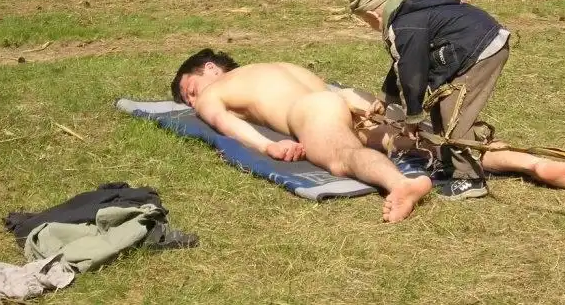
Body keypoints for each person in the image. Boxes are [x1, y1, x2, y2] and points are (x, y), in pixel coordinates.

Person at [348, 0, 565, 199]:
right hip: (474, 45)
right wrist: (386, 99)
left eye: (366, 22)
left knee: (454, 118)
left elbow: (412, 71)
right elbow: (404, 63)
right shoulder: (411, 8)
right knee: (442, 107)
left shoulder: (404, 24)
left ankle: (469, 180)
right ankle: (454, 166)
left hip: (476, 52)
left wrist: (413, 118)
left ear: (372, 14)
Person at [170, 49, 433, 223]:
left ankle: (400, 184)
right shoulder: (272, 66)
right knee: (413, 138)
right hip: (343, 101)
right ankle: (457, 152)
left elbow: (222, 121)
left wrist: (267, 146)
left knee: (343, 157)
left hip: (312, 110)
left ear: (211, 68)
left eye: (190, 90)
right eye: (187, 100)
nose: (192, 102)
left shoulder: (212, 92)